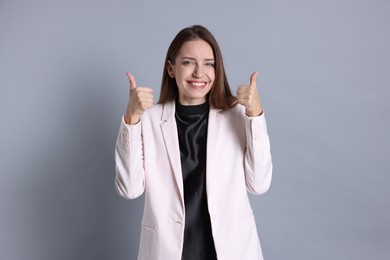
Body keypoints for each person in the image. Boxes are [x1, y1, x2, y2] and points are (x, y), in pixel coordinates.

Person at [115, 25, 273, 260]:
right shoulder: (147, 119)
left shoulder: (238, 115)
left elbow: (259, 184)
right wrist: (131, 118)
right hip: (168, 252)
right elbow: (129, 189)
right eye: (188, 62)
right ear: (171, 68)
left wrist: (256, 115)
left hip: (231, 251)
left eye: (209, 63)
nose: (200, 73)